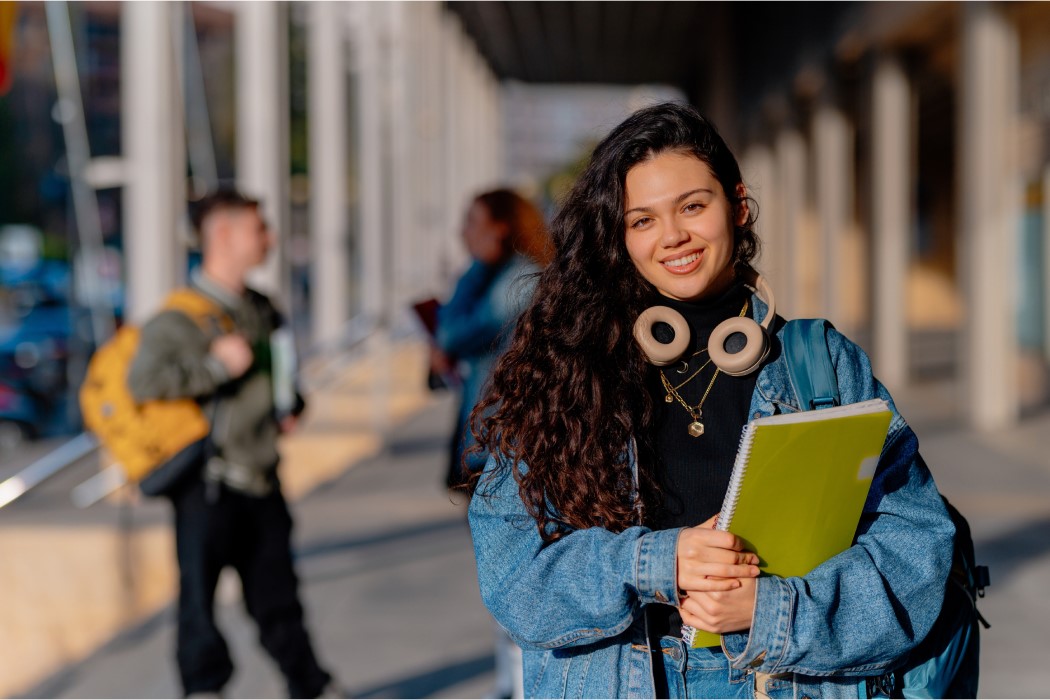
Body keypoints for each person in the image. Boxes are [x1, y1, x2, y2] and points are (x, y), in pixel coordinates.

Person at [465, 102, 956, 699]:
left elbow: (917, 552)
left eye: (693, 206)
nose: (672, 236)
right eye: (641, 220)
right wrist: (657, 562)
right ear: (617, 237)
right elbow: (514, 580)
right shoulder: (564, 371)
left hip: (783, 681)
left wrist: (772, 610)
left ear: (738, 205)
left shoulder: (820, 364)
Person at [127, 190, 337, 699]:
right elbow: (144, 382)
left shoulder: (262, 307)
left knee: (278, 596)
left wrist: (292, 406)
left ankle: (309, 686)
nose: (268, 237)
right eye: (257, 228)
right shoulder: (179, 317)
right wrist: (218, 366)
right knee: (198, 602)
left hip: (262, 476)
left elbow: (283, 380)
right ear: (221, 235)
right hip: (208, 482)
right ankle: (204, 689)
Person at [433, 188, 550, 490]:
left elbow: (451, 335)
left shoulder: (518, 282)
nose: (463, 231)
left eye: (472, 221)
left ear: (500, 228)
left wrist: (473, 268)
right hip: (492, 438)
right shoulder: (502, 277)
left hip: (503, 444)